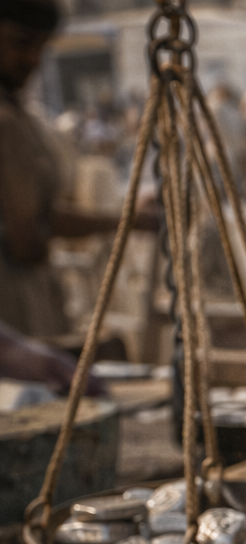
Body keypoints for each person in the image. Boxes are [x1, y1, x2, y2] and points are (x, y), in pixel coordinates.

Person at [0, 0, 158, 339]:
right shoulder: (6, 123)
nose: (31, 59)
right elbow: (26, 240)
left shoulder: (20, 115)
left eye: (40, 47)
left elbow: (44, 216)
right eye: (20, 43)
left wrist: (129, 220)